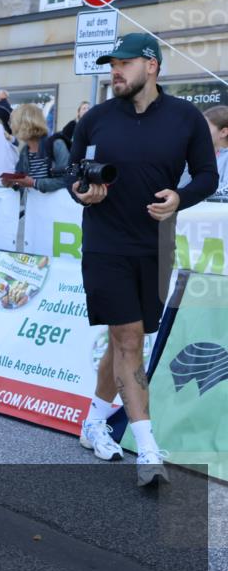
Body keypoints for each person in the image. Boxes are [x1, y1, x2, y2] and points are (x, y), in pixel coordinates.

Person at [69, 33, 218, 486]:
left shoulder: (186, 118)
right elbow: (73, 176)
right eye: (111, 64)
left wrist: (180, 197)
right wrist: (85, 193)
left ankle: (94, 421)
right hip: (105, 245)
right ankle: (148, 450)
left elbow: (208, 176)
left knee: (123, 338)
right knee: (130, 339)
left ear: (151, 66)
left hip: (156, 246)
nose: (115, 71)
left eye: (125, 63)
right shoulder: (94, 119)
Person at [8, 103, 71, 192]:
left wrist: (35, 183)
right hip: (35, 205)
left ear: (24, 124)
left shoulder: (56, 145)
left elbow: (67, 180)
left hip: (56, 205)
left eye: (14, 122)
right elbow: (22, 180)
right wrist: (13, 183)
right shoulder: (25, 151)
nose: (11, 126)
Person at [203, 105, 228, 201]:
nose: (200, 130)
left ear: (223, 132)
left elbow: (226, 189)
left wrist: (195, 191)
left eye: (205, 126)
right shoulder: (203, 155)